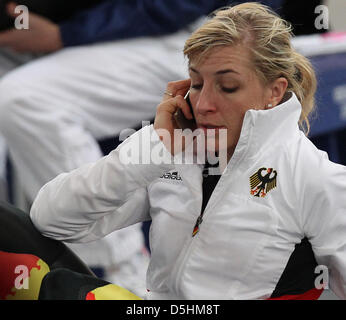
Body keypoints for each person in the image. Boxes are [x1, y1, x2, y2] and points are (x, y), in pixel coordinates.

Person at [29, 2, 346, 299]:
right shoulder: (172, 158)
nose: (205, 104)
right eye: (196, 84)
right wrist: (154, 145)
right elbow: (52, 220)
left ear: (274, 91)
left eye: (227, 87)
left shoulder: (316, 179)